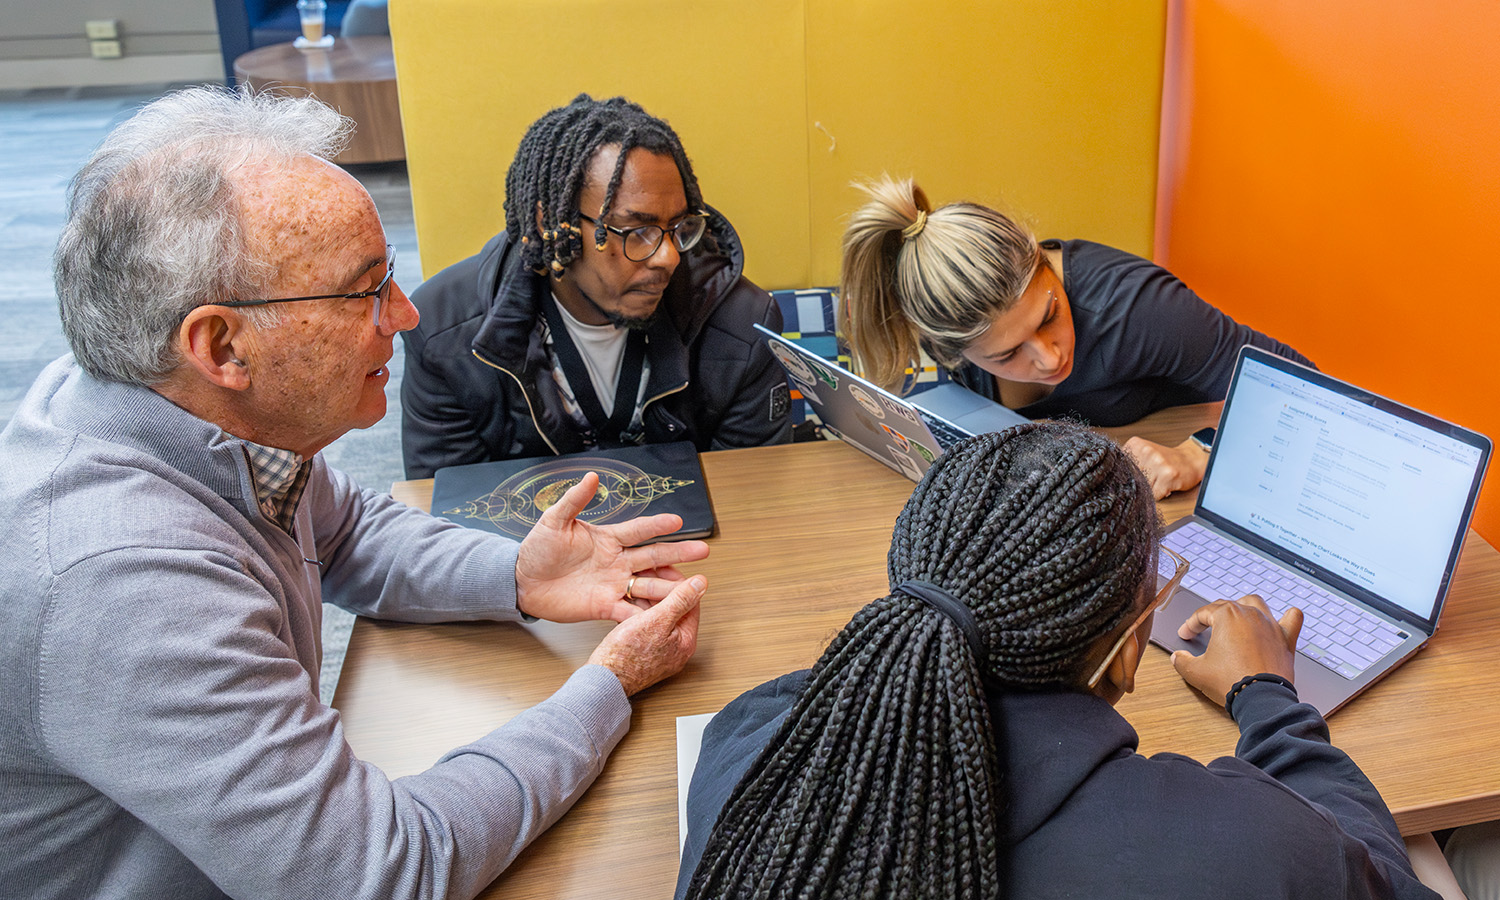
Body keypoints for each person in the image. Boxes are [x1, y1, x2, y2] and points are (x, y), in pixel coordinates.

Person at [0, 87, 711, 900]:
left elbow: (346, 528)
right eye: (364, 291)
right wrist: (605, 686)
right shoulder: (125, 584)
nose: (404, 315)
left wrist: (518, 575)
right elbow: (381, 871)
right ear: (220, 345)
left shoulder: (162, 406)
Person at [676, 423, 1437, 900]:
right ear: (1128, 651)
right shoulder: (1249, 851)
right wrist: (1268, 695)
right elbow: (1384, 878)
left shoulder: (748, 744)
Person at [839, 176, 1315, 499]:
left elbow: (1306, 390)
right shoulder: (946, 333)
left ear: (1044, 263)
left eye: (1049, 316)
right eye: (1008, 354)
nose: (1049, 358)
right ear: (950, 352)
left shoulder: (1137, 308)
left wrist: (1203, 453)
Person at [400, 94, 791, 479]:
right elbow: (452, 503)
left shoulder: (744, 326)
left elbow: (750, 495)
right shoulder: (442, 331)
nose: (669, 257)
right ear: (552, 224)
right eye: (637, 230)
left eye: (678, 227)